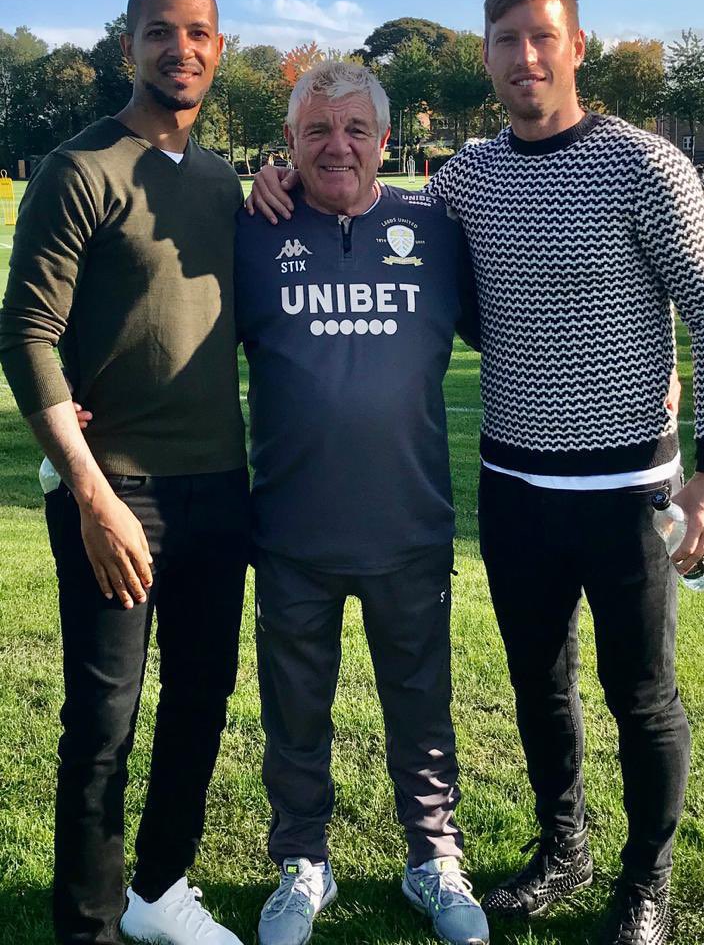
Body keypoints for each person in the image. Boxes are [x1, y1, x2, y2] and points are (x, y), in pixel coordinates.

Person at [247, 0, 704, 945]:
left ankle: (646, 881)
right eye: (506, 41)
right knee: (538, 685)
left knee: (641, 695)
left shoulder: (647, 164)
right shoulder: (464, 180)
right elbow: (457, 299)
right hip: (514, 484)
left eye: (542, 37)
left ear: (576, 46)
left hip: (630, 489)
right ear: (486, 57)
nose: (525, 57)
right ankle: (562, 851)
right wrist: (279, 179)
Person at [0, 0, 249, 945]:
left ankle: (158, 891)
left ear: (217, 49)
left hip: (218, 488)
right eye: (159, 33)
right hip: (118, 492)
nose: (179, 49)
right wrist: (92, 492)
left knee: (201, 700)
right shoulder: (79, 167)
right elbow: (26, 332)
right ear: (127, 48)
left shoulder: (224, 177)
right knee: (103, 725)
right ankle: (89, 923)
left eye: (197, 34)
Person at [235, 60, 488, 945]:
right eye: (315, 131)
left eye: (354, 130)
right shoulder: (252, 228)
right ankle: (303, 860)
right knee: (294, 711)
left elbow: (529, 317)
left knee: (421, 708)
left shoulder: (437, 227)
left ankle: (433, 859)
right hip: (292, 531)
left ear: (386, 139)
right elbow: (170, 332)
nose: (336, 146)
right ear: (290, 143)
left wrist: (651, 377)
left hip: (409, 526)